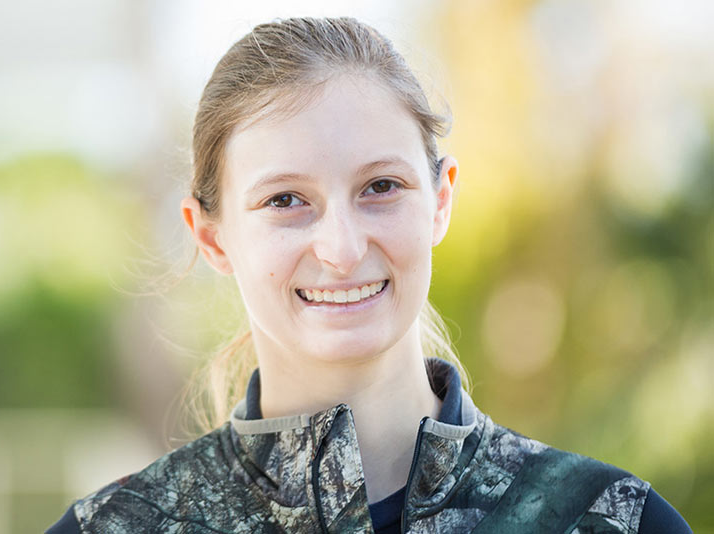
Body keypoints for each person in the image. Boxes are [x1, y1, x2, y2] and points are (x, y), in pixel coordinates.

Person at [47, 16, 691, 533]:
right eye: (284, 201)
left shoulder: (609, 519)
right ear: (212, 237)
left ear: (440, 201)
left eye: (380, 186)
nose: (342, 247)